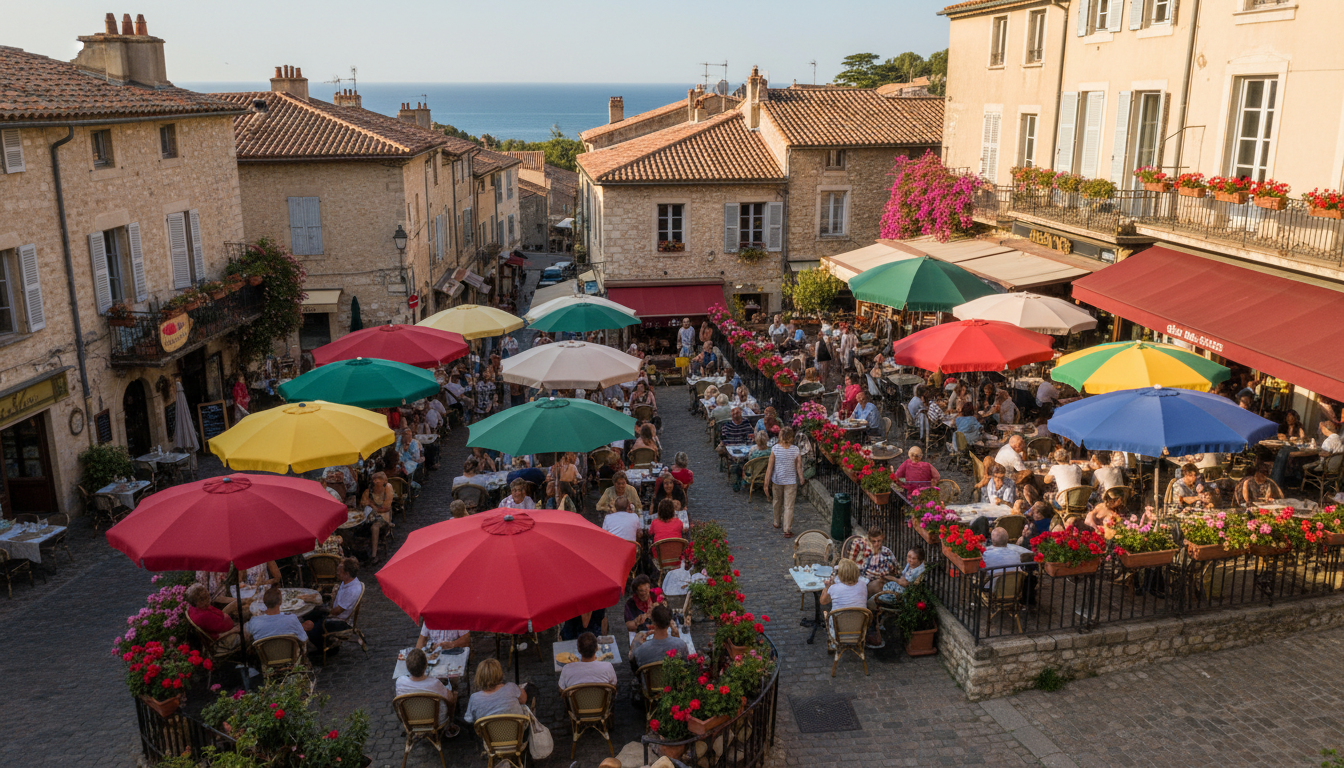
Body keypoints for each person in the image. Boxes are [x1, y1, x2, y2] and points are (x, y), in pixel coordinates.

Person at [305, 557, 363, 654]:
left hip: (340, 621)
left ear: (347, 574)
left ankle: (328, 650)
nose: (337, 573)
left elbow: (337, 611)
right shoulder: (347, 582)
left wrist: (324, 612)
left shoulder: (352, 590)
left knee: (313, 630)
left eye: (339, 571)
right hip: (334, 614)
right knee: (309, 614)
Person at [395, 649, 459, 736]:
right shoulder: (434, 683)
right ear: (425, 666)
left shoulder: (400, 681)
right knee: (454, 694)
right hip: (436, 721)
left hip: (410, 721)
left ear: (407, 667)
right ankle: (450, 724)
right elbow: (450, 698)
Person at [463, 659, 530, 724]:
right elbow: (523, 700)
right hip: (517, 733)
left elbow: (469, 719)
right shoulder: (511, 687)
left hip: (489, 735)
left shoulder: (474, 698)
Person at [766, 426, 803, 537]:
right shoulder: (796, 450)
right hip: (791, 481)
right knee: (789, 505)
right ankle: (787, 529)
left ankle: (777, 521)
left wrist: (766, 482)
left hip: (777, 479)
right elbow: (799, 466)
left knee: (777, 501)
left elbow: (770, 466)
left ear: (780, 436)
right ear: (792, 437)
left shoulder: (775, 449)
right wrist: (801, 478)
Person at [630, 604, 687, 673]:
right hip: (673, 682)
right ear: (669, 623)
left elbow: (635, 669)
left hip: (650, 683)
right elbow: (685, 667)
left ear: (653, 622)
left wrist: (636, 645)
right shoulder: (681, 645)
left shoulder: (640, 650)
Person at [246, 585, 312, 642]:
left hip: (266, 655)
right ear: (280, 602)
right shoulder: (291, 619)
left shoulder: (254, 622)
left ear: (264, 602)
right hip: (289, 654)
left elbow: (246, 633)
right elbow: (304, 639)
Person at [185, 583, 241, 650]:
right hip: (223, 641)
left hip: (219, 632)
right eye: (205, 597)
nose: (209, 598)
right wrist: (235, 629)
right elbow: (227, 627)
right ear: (198, 602)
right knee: (251, 629)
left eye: (207, 595)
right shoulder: (203, 616)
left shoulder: (193, 608)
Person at [845, 528, 895, 595]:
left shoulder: (886, 553)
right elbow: (850, 564)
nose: (877, 544)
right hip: (857, 579)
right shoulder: (861, 549)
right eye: (873, 541)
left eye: (879, 541)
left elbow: (893, 572)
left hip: (873, 583)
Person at [362, 471, 395, 563]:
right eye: (374, 481)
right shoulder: (369, 491)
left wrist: (372, 505)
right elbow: (363, 503)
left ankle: (374, 555)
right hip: (370, 515)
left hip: (384, 515)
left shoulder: (388, 488)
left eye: (378, 481)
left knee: (375, 527)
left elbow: (386, 508)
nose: (376, 483)